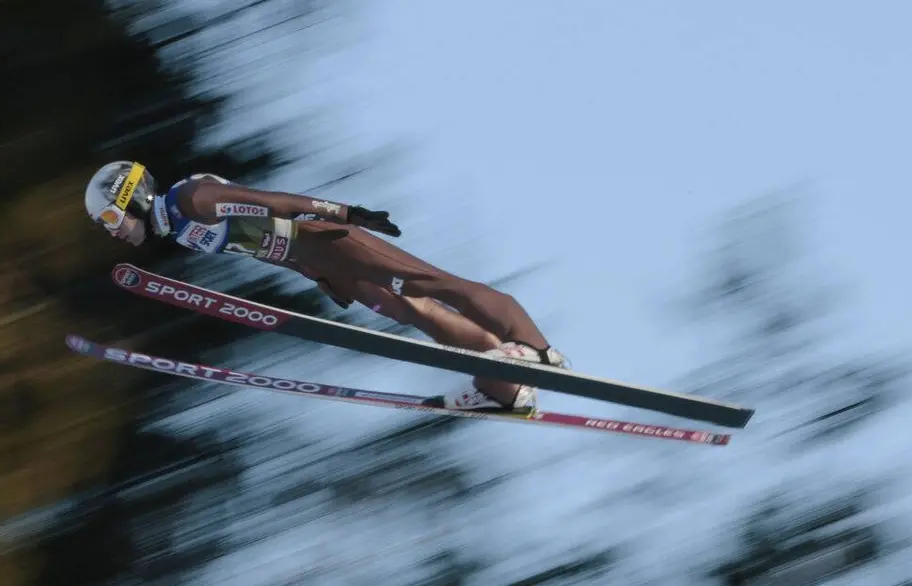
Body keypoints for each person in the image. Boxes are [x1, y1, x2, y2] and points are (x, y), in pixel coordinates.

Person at [83, 160, 569, 412]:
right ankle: (506, 386)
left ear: (135, 197)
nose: (112, 231)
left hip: (332, 242)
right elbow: (265, 245)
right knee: (414, 312)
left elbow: (270, 203)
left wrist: (344, 214)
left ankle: (538, 351)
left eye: (110, 217)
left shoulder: (191, 200)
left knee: (435, 285)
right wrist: (318, 278)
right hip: (321, 261)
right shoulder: (180, 227)